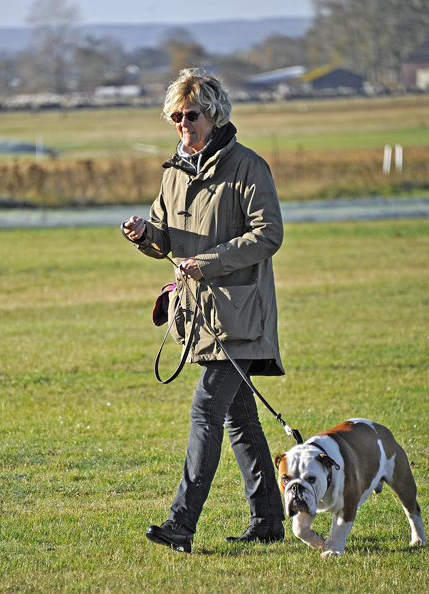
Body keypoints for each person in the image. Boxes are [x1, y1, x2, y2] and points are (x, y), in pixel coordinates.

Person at [123, 68, 285, 553]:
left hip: (241, 317)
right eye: (175, 117)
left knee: (205, 411)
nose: (182, 124)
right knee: (239, 420)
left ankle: (181, 524)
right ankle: (269, 521)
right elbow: (163, 239)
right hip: (197, 319)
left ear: (214, 114)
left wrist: (209, 262)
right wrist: (143, 235)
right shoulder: (172, 173)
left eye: (191, 115)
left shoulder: (248, 166)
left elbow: (268, 235)